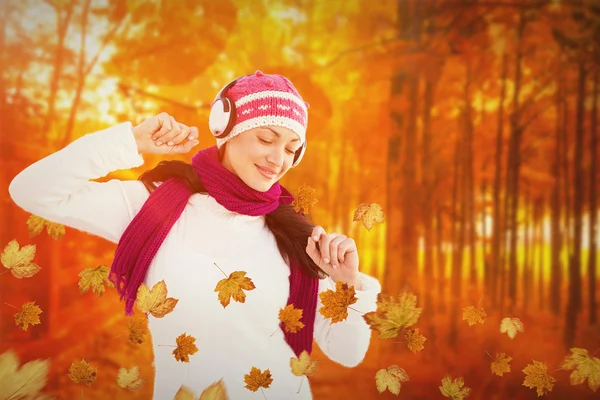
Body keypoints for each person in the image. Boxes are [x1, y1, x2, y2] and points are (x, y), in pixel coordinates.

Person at [9, 70, 382, 399]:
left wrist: (347, 285)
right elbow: (32, 190)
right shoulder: (157, 208)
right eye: (267, 139)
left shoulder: (295, 233)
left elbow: (347, 353)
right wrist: (130, 144)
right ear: (226, 130)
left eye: (291, 148)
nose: (278, 159)